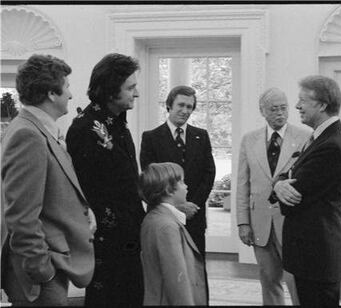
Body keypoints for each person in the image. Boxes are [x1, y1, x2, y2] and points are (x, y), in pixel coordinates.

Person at [1, 54, 95, 306]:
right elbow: (21, 217)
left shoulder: (35, 129)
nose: (71, 95)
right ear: (52, 94)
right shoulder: (27, 134)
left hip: (49, 265)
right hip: (39, 277)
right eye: (66, 87)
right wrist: (43, 271)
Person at [66, 53, 145, 307]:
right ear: (111, 90)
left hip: (128, 238)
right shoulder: (85, 128)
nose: (137, 93)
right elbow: (84, 194)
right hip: (105, 246)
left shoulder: (118, 123)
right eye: (131, 88)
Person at [271, 75, 341, 306]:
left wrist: (281, 185)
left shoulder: (331, 145)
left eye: (302, 100)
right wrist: (278, 183)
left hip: (317, 254)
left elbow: (291, 200)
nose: (297, 106)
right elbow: (287, 175)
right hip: (311, 252)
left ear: (322, 105)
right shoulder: (320, 138)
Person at [236, 88, 309, 305]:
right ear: (263, 111)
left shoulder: (305, 137)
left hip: (292, 222)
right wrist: (243, 222)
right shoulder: (249, 140)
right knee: (268, 280)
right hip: (260, 223)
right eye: (274, 109)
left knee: (296, 280)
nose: (280, 113)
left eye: (283, 108)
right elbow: (242, 184)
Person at [140, 85, 216, 258]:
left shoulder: (201, 136)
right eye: (180, 105)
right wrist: (176, 207)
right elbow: (151, 179)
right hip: (164, 215)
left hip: (194, 215)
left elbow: (209, 174)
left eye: (189, 107)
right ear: (169, 106)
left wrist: (192, 206)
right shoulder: (151, 138)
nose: (185, 110)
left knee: (196, 266)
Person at [139, 162, 207, 306]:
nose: (186, 186)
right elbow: (177, 280)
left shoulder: (155, 218)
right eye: (182, 181)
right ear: (169, 189)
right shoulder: (166, 226)